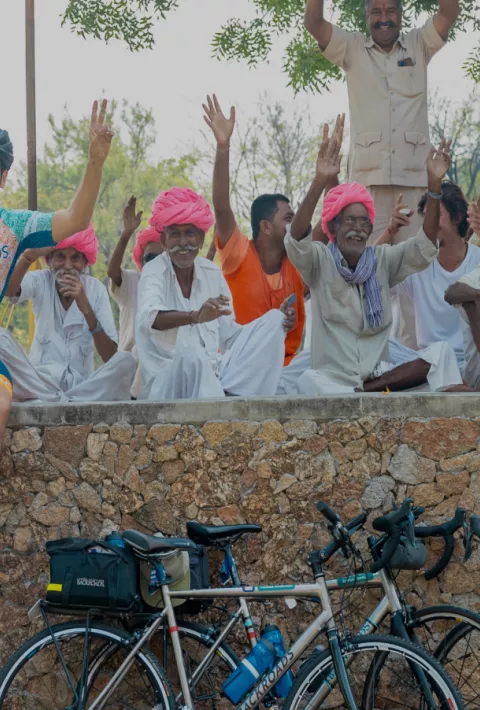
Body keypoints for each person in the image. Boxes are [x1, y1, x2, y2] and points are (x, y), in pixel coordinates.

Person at [304, 0, 459, 348]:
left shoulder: (418, 44)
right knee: (362, 272)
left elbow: (449, 13)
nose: (384, 18)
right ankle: (359, 360)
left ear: (401, 15)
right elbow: (313, 23)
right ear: (366, 16)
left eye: (391, 11)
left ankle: (417, 361)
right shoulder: (352, 48)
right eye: (376, 11)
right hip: (366, 190)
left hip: (417, 185)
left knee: (418, 276)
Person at [284, 121, 463, 394]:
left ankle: (368, 393)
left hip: (380, 380)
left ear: (370, 228)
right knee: (309, 381)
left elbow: (425, 245)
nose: (357, 228)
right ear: (333, 228)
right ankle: (362, 395)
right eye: (349, 222)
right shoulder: (320, 261)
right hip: (333, 383)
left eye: (363, 222)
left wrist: (434, 186)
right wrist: (320, 180)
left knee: (441, 354)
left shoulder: (382, 260)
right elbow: (296, 239)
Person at [0, 99, 113, 444]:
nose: (66, 264)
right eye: (58, 257)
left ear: (3, 177)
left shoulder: (15, 226)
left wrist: (95, 161)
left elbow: (76, 219)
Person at [136, 186, 289, 400]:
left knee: (274, 320)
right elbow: (150, 318)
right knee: (191, 353)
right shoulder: (153, 272)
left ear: (200, 238)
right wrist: (194, 317)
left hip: (216, 375)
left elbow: (231, 337)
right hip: (167, 384)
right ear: (164, 241)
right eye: (175, 235)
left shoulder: (212, 274)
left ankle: (234, 398)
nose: (183, 243)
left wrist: (273, 326)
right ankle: (222, 401)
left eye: (189, 233)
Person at [203, 94, 311, 366]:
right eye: (288, 218)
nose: (294, 223)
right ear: (265, 226)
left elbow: (325, 230)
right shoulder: (237, 254)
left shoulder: (298, 261)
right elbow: (222, 206)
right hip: (241, 366)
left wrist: (324, 180)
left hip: (288, 368)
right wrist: (223, 146)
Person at [0, 226, 136, 401]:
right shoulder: (40, 279)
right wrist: (27, 257)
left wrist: (86, 309)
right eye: (60, 257)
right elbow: (10, 291)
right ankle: (65, 402)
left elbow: (110, 356)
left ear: (85, 262)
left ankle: (61, 401)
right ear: (49, 261)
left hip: (84, 387)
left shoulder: (96, 289)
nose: (67, 265)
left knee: (126, 361)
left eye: (75, 258)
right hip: (40, 383)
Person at [389, 183, 480, 369]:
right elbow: (368, 272)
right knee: (385, 347)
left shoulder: (477, 260)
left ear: (458, 216)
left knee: (439, 357)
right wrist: (390, 231)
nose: (429, 224)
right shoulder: (417, 262)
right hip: (426, 364)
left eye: (436, 214)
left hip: (470, 365)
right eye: (426, 217)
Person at [107, 197, 164, 397]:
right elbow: (113, 272)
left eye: (161, 258)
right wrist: (126, 234)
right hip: (128, 375)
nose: (155, 263)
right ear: (141, 259)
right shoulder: (133, 281)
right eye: (150, 258)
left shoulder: (174, 287)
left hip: (160, 376)